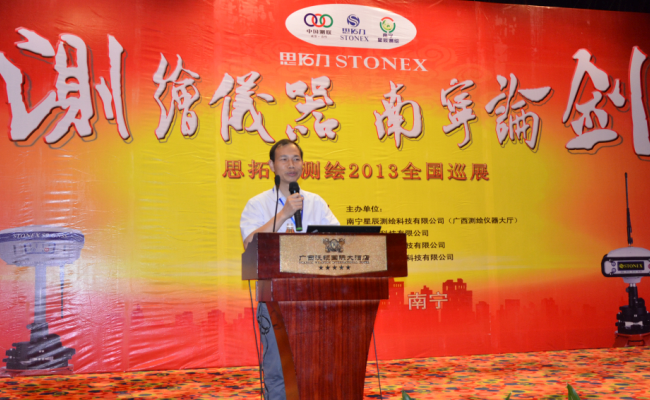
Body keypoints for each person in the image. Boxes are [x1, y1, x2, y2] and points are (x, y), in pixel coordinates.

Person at [240, 139, 339, 400]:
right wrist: (284, 213)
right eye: (284, 159)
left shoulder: (316, 202)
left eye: (296, 159)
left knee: (319, 364)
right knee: (279, 368)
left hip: (315, 296)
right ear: (272, 165)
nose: (291, 164)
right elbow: (250, 245)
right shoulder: (257, 204)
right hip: (275, 298)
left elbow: (339, 241)